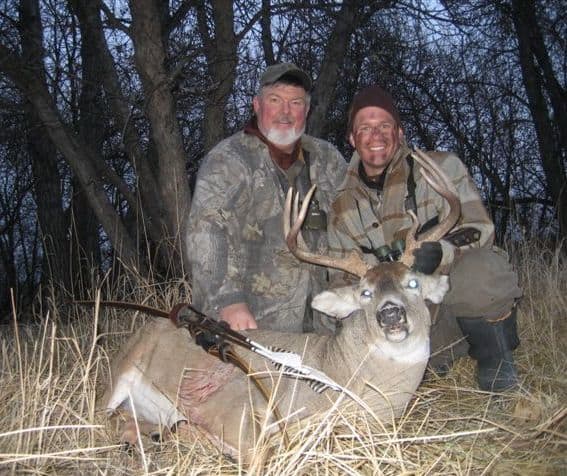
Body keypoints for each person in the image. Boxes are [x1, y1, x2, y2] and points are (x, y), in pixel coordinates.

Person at [328, 85, 522, 391]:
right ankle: (428, 367)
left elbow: (480, 229)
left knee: (482, 270)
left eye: (384, 126)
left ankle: (497, 370)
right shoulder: (341, 206)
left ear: (399, 132)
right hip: (395, 328)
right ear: (352, 139)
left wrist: (443, 250)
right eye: (365, 128)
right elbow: (340, 282)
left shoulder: (441, 168)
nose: (376, 135)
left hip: (448, 309)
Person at [186, 63, 347, 334]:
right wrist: (229, 300)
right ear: (257, 105)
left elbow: (351, 221)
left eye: (295, 103)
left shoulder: (327, 158)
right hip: (255, 323)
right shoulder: (228, 160)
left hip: (325, 322)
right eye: (275, 100)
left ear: (307, 110)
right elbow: (207, 232)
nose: (285, 112)